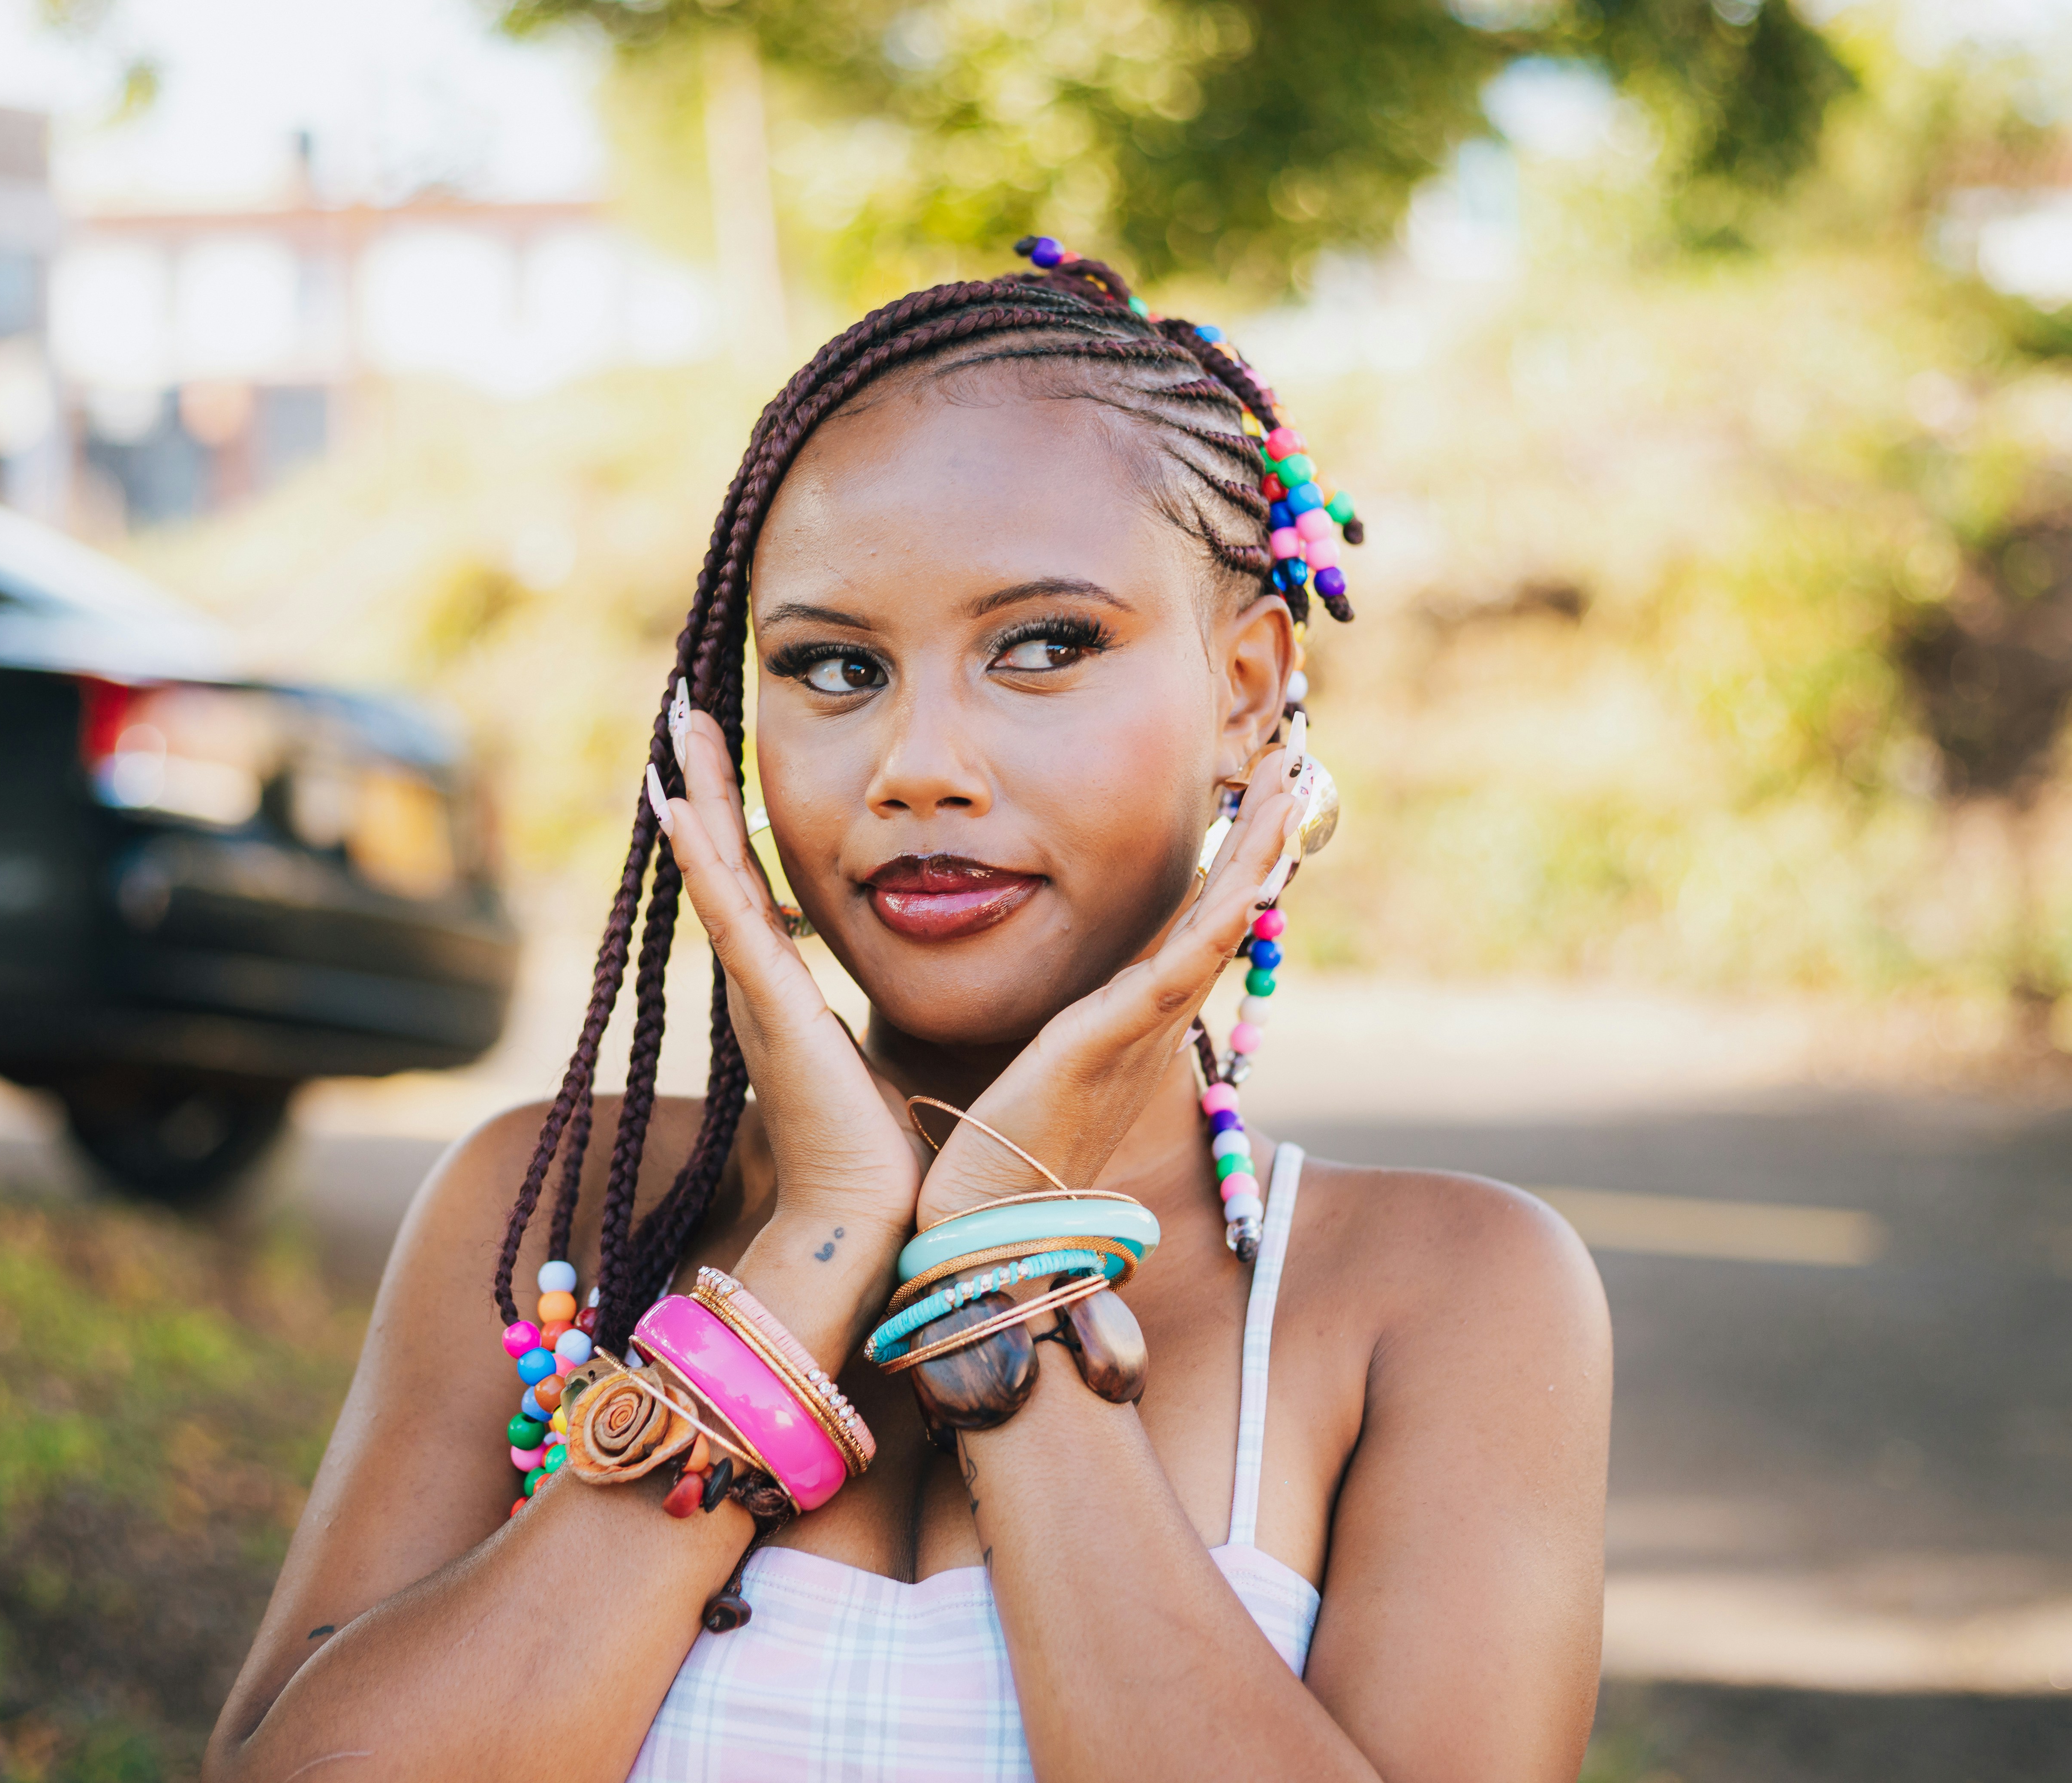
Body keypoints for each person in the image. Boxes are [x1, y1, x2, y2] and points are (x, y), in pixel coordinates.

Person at [205, 245, 1611, 1783]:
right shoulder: (549, 1215)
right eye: (831, 666)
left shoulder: (1444, 1297)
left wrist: (998, 1265)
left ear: (1249, 692)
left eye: (1046, 645)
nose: (916, 763)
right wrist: (818, 1243)